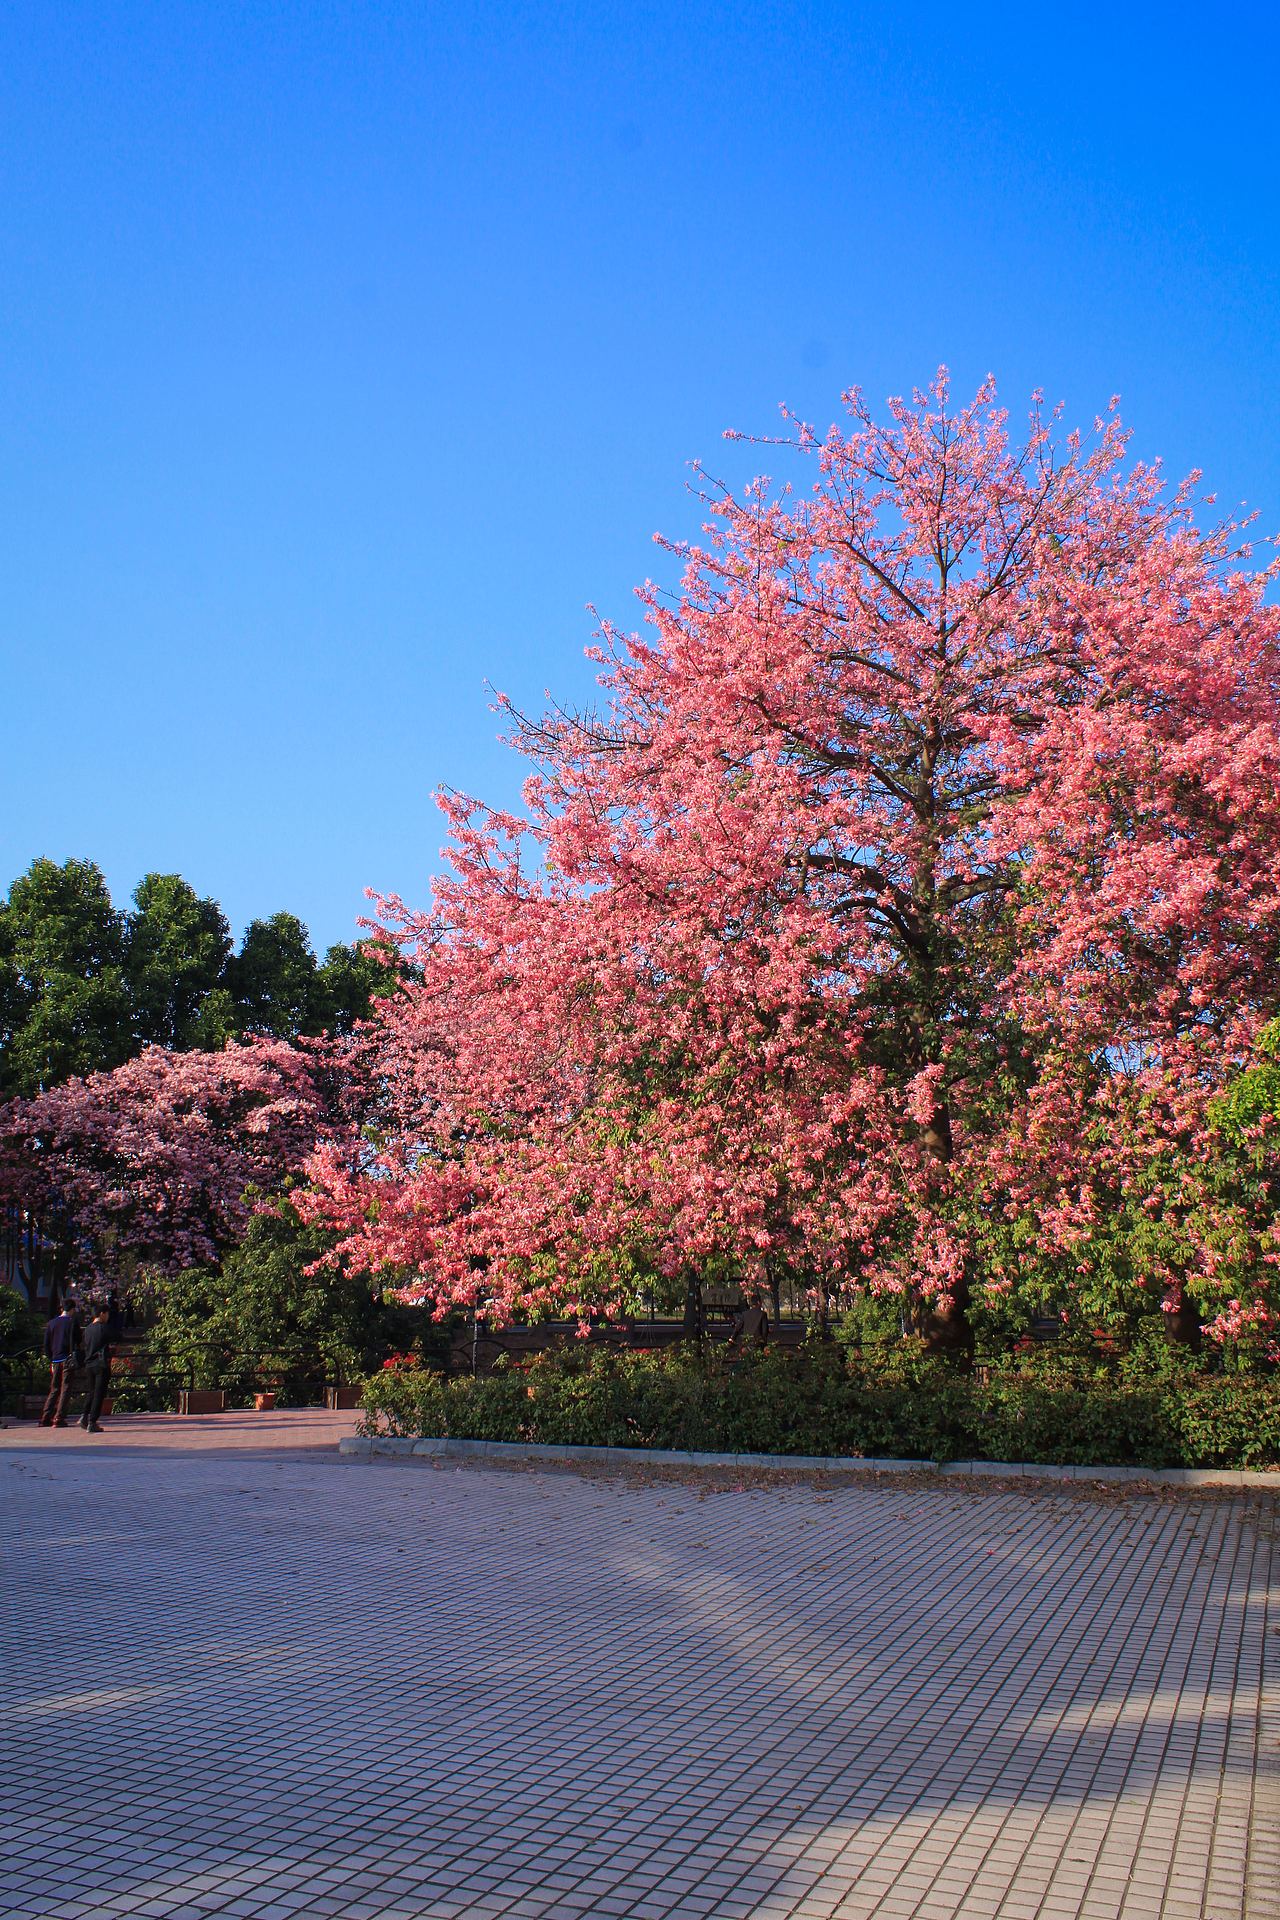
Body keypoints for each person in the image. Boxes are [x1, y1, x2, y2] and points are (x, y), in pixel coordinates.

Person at [40, 1298, 82, 1427]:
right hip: (67, 1358)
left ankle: (46, 1416)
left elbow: (46, 1344)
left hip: (55, 1359)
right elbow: (78, 1339)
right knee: (66, 1387)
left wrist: (51, 1358)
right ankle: (59, 1417)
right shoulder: (72, 1322)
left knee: (55, 1388)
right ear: (72, 1309)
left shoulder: (51, 1323)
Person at [79, 1305, 113, 1433]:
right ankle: (92, 1422)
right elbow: (117, 1336)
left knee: (91, 1392)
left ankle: (84, 1415)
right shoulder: (104, 1328)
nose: (108, 1317)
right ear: (102, 1313)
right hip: (101, 1363)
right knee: (99, 1393)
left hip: (89, 1364)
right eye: (107, 1314)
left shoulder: (87, 1329)